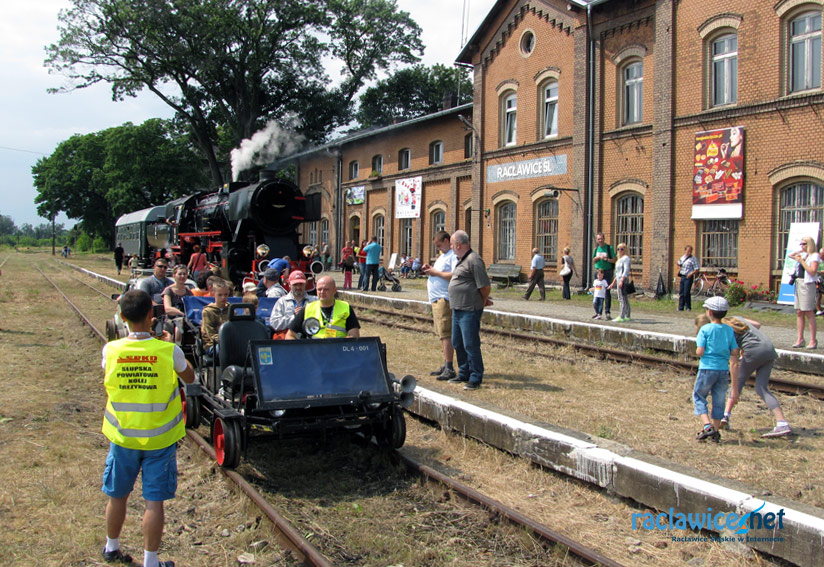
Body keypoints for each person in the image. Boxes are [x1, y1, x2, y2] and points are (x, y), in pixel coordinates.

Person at [99, 289, 195, 567]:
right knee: (154, 503)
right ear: (152, 317)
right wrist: (166, 345)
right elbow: (189, 377)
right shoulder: (168, 351)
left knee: (117, 496)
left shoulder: (111, 350)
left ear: (122, 317)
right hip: (160, 441)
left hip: (123, 437)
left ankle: (111, 547)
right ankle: (150, 561)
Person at [709, 315, 792, 438]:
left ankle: (725, 416)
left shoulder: (727, 332)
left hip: (754, 352)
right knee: (762, 388)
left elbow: (733, 363)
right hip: (769, 349)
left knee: (738, 382)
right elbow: (757, 324)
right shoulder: (737, 319)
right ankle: (782, 422)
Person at [447, 230, 491, 390]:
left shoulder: (474, 260)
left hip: (469, 309)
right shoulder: (461, 260)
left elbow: (485, 286)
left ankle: (475, 377)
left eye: (452, 244)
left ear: (458, 244)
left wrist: (483, 300)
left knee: (470, 344)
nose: (451, 247)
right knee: (457, 342)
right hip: (458, 309)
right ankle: (463, 372)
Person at [693, 296, 740, 443]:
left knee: (699, 396)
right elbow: (734, 351)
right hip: (722, 370)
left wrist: (699, 351)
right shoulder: (728, 330)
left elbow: (700, 351)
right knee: (719, 400)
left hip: (707, 368)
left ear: (709, 312)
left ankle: (707, 426)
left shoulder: (705, 329)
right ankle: (716, 429)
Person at [422, 231, 458, 381]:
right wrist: (431, 269)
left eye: (439, 245)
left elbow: (454, 274)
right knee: (442, 334)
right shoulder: (443, 257)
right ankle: (446, 364)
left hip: (444, 298)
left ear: (447, 241)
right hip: (437, 299)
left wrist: (435, 272)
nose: (438, 248)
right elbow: (439, 272)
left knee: (446, 334)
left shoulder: (453, 256)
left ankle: (449, 367)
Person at [286, 275, 360, 339]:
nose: (322, 292)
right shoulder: (308, 308)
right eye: (319, 289)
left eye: (326, 289)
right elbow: (289, 335)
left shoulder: (345, 308)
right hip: (313, 352)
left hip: (337, 351)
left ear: (335, 290)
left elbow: (354, 336)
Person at [789, 236, 819, 349]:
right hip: (799, 283)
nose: (802, 246)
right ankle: (800, 338)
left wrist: (802, 261)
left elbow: (812, 271)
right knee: (799, 312)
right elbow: (790, 255)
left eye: (804, 244)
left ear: (809, 244)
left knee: (808, 312)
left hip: (807, 285)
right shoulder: (804, 254)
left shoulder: (814, 256)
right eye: (801, 244)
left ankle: (813, 340)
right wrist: (800, 251)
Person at [269, 271, 317, 338]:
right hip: (288, 339)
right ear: (289, 284)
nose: (298, 287)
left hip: (310, 337)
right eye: (295, 285)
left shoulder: (314, 301)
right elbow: (274, 324)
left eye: (301, 284)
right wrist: (294, 318)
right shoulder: (282, 302)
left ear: (306, 283)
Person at [201, 279, 231, 359]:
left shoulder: (231, 309)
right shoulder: (208, 311)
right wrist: (228, 340)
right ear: (214, 294)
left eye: (226, 294)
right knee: (227, 351)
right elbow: (211, 335)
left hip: (230, 342)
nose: (223, 297)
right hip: (212, 345)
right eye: (220, 295)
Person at [592, 232, 616, 320]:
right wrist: (596, 259)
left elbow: (614, 259)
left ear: (604, 239)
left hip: (607, 272)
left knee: (607, 292)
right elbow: (593, 261)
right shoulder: (596, 249)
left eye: (601, 238)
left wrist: (607, 259)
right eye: (598, 239)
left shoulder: (609, 248)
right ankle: (598, 312)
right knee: (597, 291)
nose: (600, 240)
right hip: (598, 272)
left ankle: (607, 312)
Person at [608, 243, 631, 322]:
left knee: (622, 298)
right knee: (624, 298)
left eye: (622, 249)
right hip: (618, 279)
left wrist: (622, 280)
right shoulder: (619, 259)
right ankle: (627, 315)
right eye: (618, 249)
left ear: (625, 250)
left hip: (622, 279)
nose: (620, 251)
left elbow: (626, 270)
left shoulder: (626, 258)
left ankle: (621, 316)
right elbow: (617, 272)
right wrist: (613, 283)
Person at [677, 245, 700, 311]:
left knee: (686, 292)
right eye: (688, 251)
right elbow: (679, 263)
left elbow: (697, 269)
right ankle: (680, 307)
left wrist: (691, 274)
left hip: (688, 277)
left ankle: (688, 307)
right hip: (683, 276)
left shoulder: (693, 259)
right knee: (681, 292)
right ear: (685, 250)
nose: (689, 252)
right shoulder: (682, 257)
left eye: (690, 251)